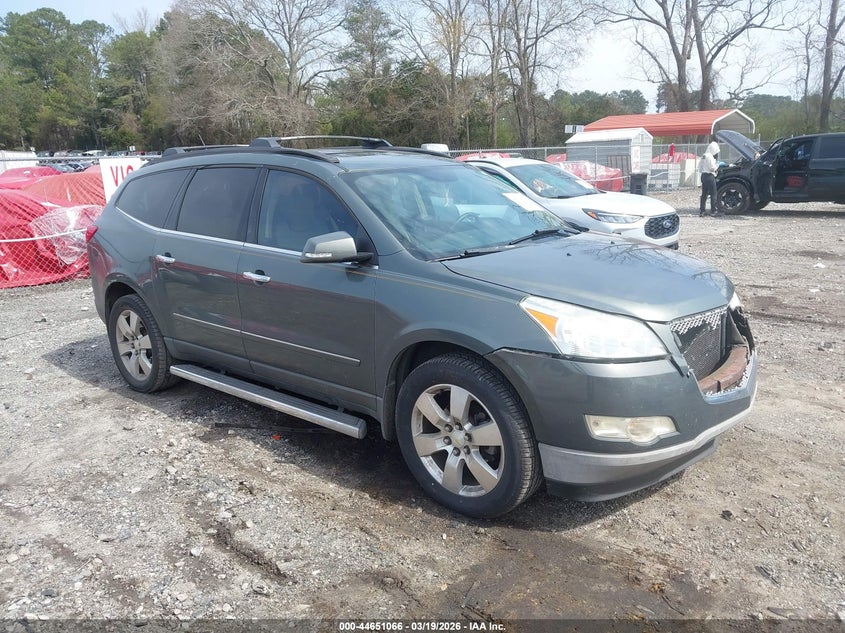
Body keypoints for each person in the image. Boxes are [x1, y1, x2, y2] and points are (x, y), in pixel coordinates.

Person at [699, 141, 720, 216]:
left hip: (703, 176)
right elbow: (712, 168)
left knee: (704, 194)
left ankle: (702, 211)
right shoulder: (710, 156)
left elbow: (700, 167)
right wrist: (717, 165)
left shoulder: (704, 155)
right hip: (709, 176)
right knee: (713, 193)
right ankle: (714, 211)